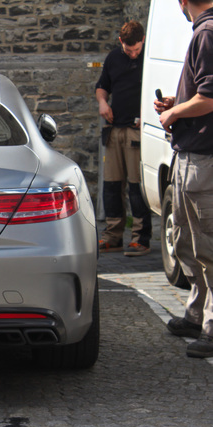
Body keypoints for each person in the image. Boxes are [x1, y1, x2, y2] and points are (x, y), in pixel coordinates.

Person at [156, 0, 213, 358]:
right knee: (187, 244)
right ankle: (196, 315)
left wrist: (175, 111)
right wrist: (179, 103)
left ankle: (211, 326)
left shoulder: (207, 32)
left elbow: (210, 96)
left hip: (204, 159)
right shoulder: (203, 30)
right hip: (191, 155)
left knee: (207, 247)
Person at [95, 21, 153, 257]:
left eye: (137, 49)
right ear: (121, 42)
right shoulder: (112, 58)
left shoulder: (149, 61)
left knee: (137, 186)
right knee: (111, 186)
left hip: (136, 131)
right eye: (129, 50)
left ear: (143, 40)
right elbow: (102, 86)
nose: (133, 54)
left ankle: (141, 238)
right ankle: (113, 236)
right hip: (114, 129)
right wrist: (102, 102)